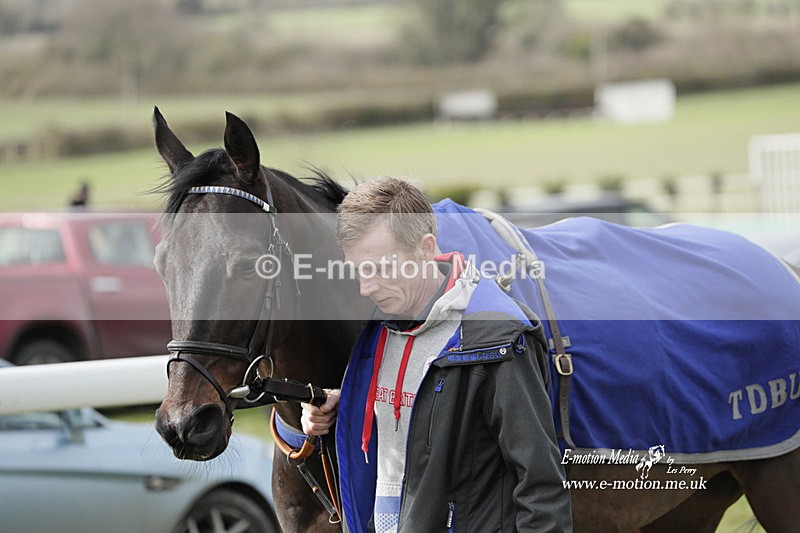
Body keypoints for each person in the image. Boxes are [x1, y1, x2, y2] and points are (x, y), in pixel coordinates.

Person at [301, 177, 572, 532]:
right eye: (358, 271)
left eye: (381, 269)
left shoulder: (498, 342)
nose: (366, 288)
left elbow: (542, 485)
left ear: (426, 248)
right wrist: (348, 406)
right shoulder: (377, 330)